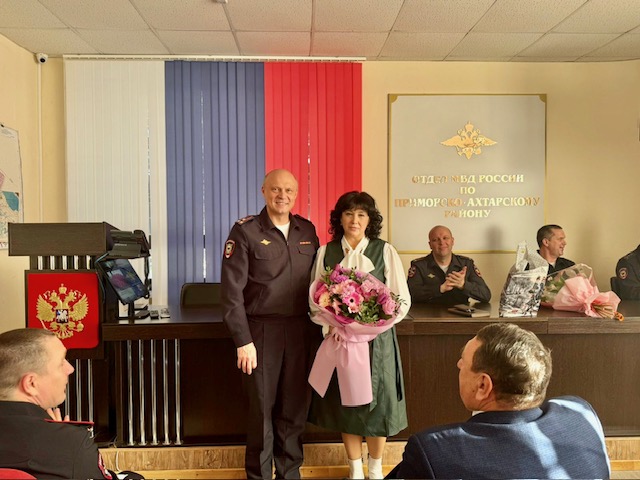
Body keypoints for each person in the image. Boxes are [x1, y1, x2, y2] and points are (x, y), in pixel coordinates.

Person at [387, 323, 610, 480]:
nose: (458, 365)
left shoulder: (435, 450)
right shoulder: (581, 413)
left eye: (464, 362)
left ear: (483, 386)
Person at [221, 168, 319, 479]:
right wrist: (242, 340)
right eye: (276, 189)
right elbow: (231, 293)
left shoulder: (307, 230)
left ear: (296, 194)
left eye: (289, 190)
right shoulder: (246, 231)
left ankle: (289, 473)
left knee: (294, 409)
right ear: (264, 191)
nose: (282, 196)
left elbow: (320, 283)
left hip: (301, 331)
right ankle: (259, 476)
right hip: (260, 331)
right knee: (261, 410)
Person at [307, 191, 411, 480]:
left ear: (369, 220)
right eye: (349, 213)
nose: (355, 220)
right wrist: (333, 325)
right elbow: (315, 301)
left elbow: (401, 300)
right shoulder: (325, 252)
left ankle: (375, 469)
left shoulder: (385, 251)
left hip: (378, 343)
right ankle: (354, 470)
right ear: (339, 218)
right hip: (340, 341)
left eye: (361, 214)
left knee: (378, 405)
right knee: (347, 405)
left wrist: (372, 328)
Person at [0, 328, 141, 479]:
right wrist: (60, 438)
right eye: (61, 363)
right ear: (31, 383)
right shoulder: (71, 445)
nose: (70, 369)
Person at [407, 225, 491, 305]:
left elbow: (486, 295)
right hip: (427, 313)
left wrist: (464, 285)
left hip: (460, 314)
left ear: (452, 241)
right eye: (436, 240)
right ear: (430, 245)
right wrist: (439, 289)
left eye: (445, 238)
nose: (441, 242)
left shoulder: (466, 264)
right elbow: (410, 295)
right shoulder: (419, 266)